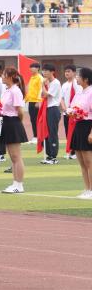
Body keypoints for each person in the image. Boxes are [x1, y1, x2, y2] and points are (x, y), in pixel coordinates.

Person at [0, 67, 28, 194]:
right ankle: (15, 183)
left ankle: (19, 184)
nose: (2, 77)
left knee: (16, 156)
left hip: (13, 122)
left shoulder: (15, 91)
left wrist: (17, 124)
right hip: (6, 122)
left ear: (10, 77)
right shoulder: (7, 90)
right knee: (12, 157)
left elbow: (20, 111)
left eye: (4, 75)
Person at [67, 68, 92, 199]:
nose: (76, 78)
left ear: (86, 79)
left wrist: (91, 133)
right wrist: (71, 112)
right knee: (82, 162)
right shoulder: (79, 93)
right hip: (78, 126)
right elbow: (72, 108)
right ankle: (87, 189)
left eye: (78, 76)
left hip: (88, 126)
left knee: (89, 162)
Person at [41, 64, 62, 164]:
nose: (44, 73)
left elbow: (46, 94)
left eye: (46, 71)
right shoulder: (48, 82)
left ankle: (54, 156)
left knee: (52, 132)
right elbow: (42, 95)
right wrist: (44, 85)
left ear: (52, 72)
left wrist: (42, 85)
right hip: (47, 108)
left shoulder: (56, 82)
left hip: (53, 109)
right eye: (43, 71)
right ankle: (49, 155)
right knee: (47, 132)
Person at [61, 65, 82, 161]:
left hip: (76, 113)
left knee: (75, 132)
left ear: (74, 73)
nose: (67, 73)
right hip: (67, 113)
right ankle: (70, 151)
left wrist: (75, 110)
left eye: (69, 71)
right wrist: (65, 109)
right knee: (67, 132)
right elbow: (61, 98)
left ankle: (75, 152)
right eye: (65, 71)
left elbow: (80, 97)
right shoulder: (64, 85)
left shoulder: (78, 84)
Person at [25, 61, 43, 144]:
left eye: (33, 68)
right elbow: (29, 90)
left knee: (36, 120)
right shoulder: (32, 78)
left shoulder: (40, 78)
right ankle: (35, 136)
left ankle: (38, 136)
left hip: (36, 102)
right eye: (30, 68)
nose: (31, 69)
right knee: (32, 120)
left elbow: (41, 90)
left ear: (38, 68)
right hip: (31, 101)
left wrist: (38, 101)